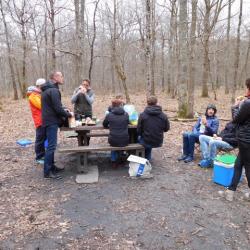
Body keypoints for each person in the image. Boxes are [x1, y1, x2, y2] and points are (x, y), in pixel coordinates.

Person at [219, 79, 250, 201]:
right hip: (246, 140)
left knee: (247, 167)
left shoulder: (247, 103)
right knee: (238, 165)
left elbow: (236, 119)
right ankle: (230, 191)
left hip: (246, 140)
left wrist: (235, 107)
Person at [41, 71, 72, 179]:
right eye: (61, 76)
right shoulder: (53, 90)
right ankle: (47, 172)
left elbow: (55, 106)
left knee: (51, 145)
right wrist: (68, 114)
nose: (63, 78)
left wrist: (64, 109)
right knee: (51, 146)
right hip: (51, 121)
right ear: (55, 77)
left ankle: (52, 167)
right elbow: (57, 109)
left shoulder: (47, 90)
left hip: (47, 120)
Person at [137, 96, 170, 160]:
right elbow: (166, 129)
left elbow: (139, 131)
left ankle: (141, 158)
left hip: (146, 140)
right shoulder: (163, 115)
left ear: (147, 103)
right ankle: (147, 158)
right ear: (156, 103)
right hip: (158, 140)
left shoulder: (142, 115)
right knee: (148, 139)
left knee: (137, 138)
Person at [103, 98, 129, 168]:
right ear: (121, 105)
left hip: (113, 139)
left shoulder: (109, 115)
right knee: (120, 141)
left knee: (114, 142)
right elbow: (127, 122)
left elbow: (104, 124)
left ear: (112, 106)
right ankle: (121, 158)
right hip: (125, 139)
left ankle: (114, 161)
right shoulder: (126, 114)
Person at [27, 78, 46, 164]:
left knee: (43, 138)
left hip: (44, 120)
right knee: (40, 139)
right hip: (39, 121)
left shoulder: (39, 94)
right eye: (44, 86)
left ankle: (43, 155)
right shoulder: (33, 96)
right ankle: (39, 157)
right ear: (39, 86)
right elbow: (41, 106)